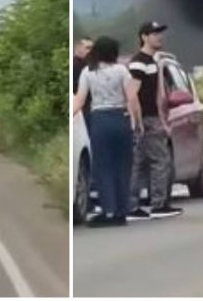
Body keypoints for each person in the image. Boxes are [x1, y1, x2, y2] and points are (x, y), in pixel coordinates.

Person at [73, 36, 140, 227]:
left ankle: (108, 209)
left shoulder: (88, 72)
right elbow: (132, 99)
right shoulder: (121, 71)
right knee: (123, 166)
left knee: (103, 167)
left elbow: (80, 100)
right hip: (121, 118)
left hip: (100, 120)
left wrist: (70, 115)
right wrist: (137, 121)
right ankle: (121, 210)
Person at [128, 21, 183, 220]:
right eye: (154, 33)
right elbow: (132, 94)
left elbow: (157, 95)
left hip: (151, 118)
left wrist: (162, 118)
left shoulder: (152, 62)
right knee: (160, 160)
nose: (159, 37)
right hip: (145, 119)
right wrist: (138, 121)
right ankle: (159, 204)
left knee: (139, 162)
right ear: (144, 36)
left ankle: (132, 205)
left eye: (160, 33)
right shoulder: (139, 62)